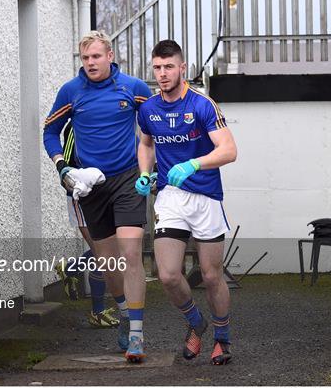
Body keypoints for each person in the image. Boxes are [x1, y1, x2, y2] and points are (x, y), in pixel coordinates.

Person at [43, 30, 152, 362]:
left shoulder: (133, 88)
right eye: (85, 58)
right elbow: (49, 131)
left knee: (131, 253)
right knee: (108, 261)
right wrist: (63, 168)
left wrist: (153, 167)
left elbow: (154, 128)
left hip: (128, 180)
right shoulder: (71, 92)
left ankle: (136, 334)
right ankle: (122, 310)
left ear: (110, 55)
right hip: (91, 185)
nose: (90, 63)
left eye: (96, 56)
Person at [135, 40, 237, 365]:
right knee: (167, 275)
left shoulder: (203, 105)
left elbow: (229, 150)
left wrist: (194, 164)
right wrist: (144, 173)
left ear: (182, 68)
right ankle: (196, 322)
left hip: (205, 196)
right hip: (170, 197)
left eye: (168, 67)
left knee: (210, 275)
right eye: (157, 68)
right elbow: (146, 144)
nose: (162, 74)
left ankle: (222, 338)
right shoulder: (148, 109)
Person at [54, 120, 119, 329]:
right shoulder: (74, 126)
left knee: (111, 249)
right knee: (101, 252)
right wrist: (74, 185)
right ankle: (97, 312)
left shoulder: (107, 122)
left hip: (106, 193)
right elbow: (64, 165)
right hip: (82, 196)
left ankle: (71, 268)